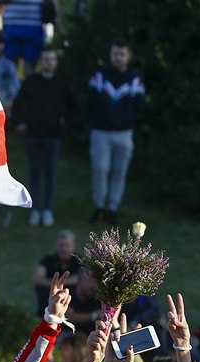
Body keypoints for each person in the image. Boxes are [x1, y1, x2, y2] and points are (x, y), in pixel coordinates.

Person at [13, 46, 76, 227]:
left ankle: (47, 209)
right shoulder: (31, 81)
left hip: (53, 136)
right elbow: (18, 103)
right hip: (32, 135)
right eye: (46, 59)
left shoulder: (62, 83)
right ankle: (35, 209)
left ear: (56, 62)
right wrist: (19, 123)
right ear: (40, 62)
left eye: (52, 59)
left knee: (50, 173)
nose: (49, 62)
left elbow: (74, 106)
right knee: (34, 173)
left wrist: (64, 121)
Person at [87, 39, 144, 225]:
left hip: (124, 133)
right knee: (100, 169)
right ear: (110, 55)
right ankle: (99, 206)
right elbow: (91, 100)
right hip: (101, 132)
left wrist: (128, 120)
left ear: (128, 56)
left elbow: (139, 105)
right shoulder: (100, 76)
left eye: (121, 54)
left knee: (119, 172)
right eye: (115, 54)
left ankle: (112, 207)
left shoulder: (134, 79)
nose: (118, 58)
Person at [31, 230, 80, 313]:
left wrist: (54, 284)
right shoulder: (49, 260)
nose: (64, 249)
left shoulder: (79, 261)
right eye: (61, 245)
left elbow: (80, 279)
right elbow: (36, 277)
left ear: (73, 246)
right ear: (57, 246)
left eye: (67, 245)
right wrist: (54, 286)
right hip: (49, 298)